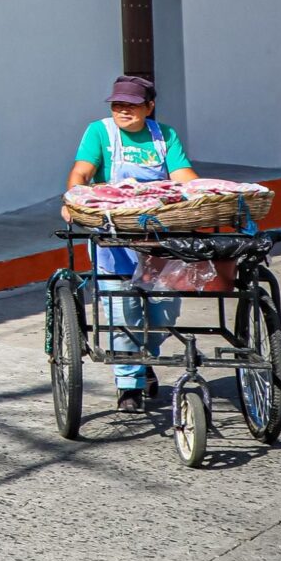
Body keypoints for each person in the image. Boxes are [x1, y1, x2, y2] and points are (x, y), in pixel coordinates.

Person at [65, 74, 200, 412]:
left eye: (131, 105)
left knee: (164, 307)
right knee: (121, 306)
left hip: (158, 236)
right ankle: (128, 384)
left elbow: (183, 175)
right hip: (115, 234)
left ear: (149, 107)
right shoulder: (100, 132)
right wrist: (75, 196)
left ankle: (145, 358)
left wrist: (206, 195)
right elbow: (81, 172)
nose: (123, 110)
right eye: (117, 104)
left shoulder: (164, 135)